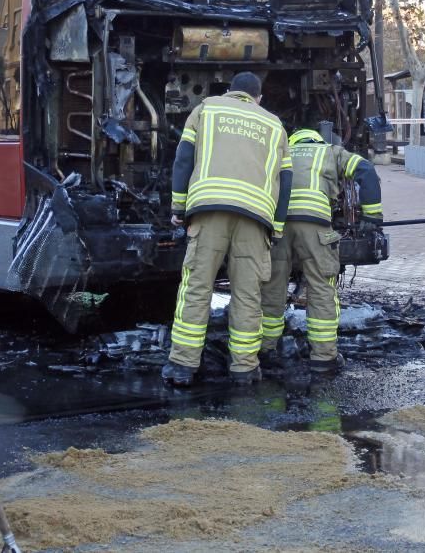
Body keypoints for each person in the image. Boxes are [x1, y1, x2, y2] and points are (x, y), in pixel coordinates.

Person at [161, 72, 292, 387]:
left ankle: (182, 366)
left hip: (209, 211)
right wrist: (276, 227)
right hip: (255, 218)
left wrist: (179, 207)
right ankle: (244, 369)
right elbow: (285, 182)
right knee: (248, 294)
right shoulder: (274, 125)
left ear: (231, 91)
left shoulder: (207, 108)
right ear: (257, 98)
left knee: (197, 287)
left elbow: (183, 159)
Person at [258, 128, 382, 374]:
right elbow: (366, 171)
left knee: (272, 286)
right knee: (321, 287)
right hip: (315, 226)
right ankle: (323, 357)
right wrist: (372, 216)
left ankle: (266, 350)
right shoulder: (330, 152)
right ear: (317, 140)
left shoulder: (280, 151)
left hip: (278, 225)